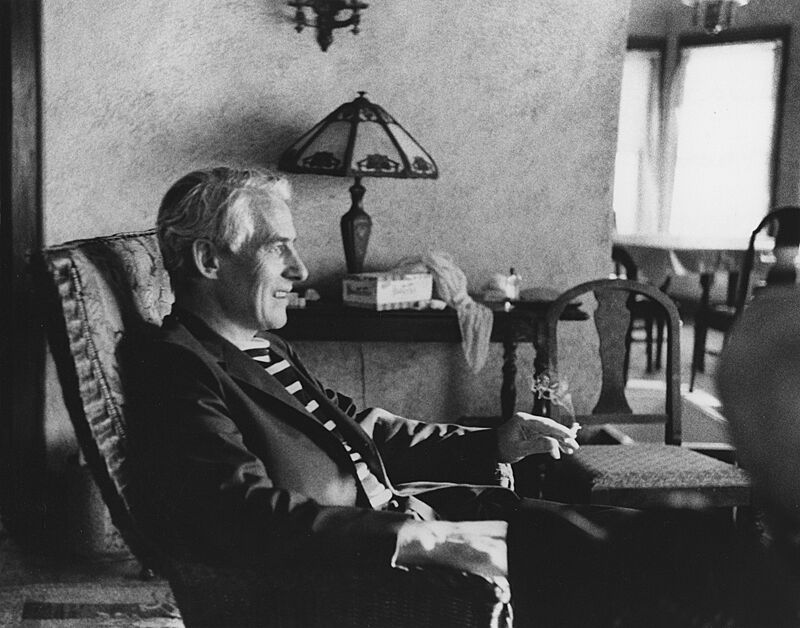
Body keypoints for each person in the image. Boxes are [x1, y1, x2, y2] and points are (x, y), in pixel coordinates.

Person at [131, 166, 614, 627]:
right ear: (208, 259)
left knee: (638, 537)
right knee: (626, 569)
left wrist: (491, 444)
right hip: (372, 563)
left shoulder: (264, 344)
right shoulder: (178, 367)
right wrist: (424, 538)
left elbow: (357, 426)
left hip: (426, 513)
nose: (299, 270)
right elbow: (242, 512)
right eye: (278, 250)